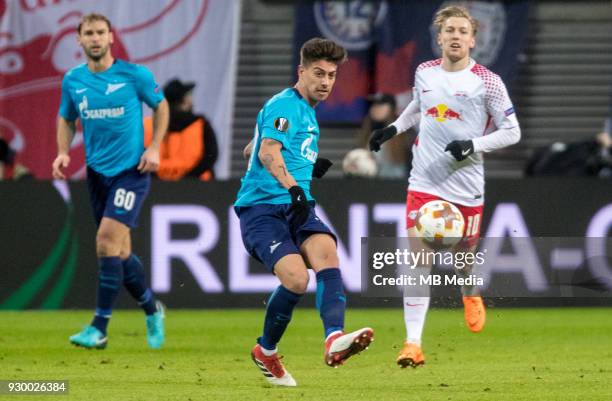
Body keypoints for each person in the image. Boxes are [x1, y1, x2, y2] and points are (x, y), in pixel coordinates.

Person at [369, 5, 521, 368]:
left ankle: (470, 290)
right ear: (439, 38)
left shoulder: (488, 82)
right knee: (418, 261)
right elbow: (419, 109)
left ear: (472, 39)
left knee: (462, 260)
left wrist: (473, 145)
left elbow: (513, 132)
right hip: (423, 181)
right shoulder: (424, 72)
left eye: (462, 31)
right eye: (449, 30)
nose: (455, 36)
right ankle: (413, 343)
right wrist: (393, 128)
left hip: (465, 185)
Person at [235, 37, 374, 387]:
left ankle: (333, 339)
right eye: (318, 73)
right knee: (297, 279)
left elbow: (251, 147)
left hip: (296, 206)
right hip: (262, 210)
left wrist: (305, 167)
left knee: (327, 252)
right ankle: (265, 352)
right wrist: (293, 184)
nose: (326, 81)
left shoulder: (305, 111)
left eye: (331, 75)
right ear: (301, 71)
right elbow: (267, 152)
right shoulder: (286, 104)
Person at [52, 13, 170, 350]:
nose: (95, 38)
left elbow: (160, 108)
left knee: (105, 241)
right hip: (97, 174)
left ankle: (99, 326)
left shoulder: (134, 75)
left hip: (131, 172)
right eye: (88, 33)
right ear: (79, 40)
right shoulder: (73, 80)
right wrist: (62, 152)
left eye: (100, 32)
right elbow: (66, 117)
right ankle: (152, 309)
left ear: (110, 37)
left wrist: (155, 147)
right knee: (118, 253)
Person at [143, 78, 218, 181]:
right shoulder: (201, 125)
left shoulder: (148, 125)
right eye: (189, 96)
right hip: (199, 186)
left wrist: (157, 178)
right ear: (184, 100)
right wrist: (189, 178)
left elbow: (139, 156)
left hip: (158, 187)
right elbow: (211, 156)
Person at [357, 93, 409, 178]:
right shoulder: (366, 132)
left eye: (381, 104)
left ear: (392, 108)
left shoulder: (404, 133)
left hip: (397, 185)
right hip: (370, 185)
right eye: (373, 105)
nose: (376, 108)